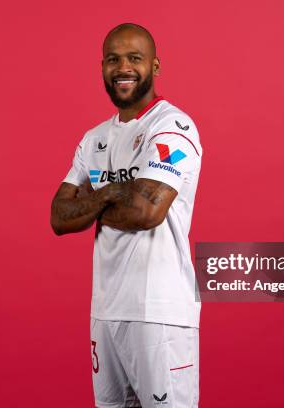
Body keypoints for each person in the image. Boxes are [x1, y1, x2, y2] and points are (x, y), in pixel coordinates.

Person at [50, 23, 202, 408]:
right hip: (105, 311)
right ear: (102, 66)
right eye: (113, 59)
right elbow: (59, 216)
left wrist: (92, 203)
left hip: (158, 310)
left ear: (155, 65)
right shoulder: (94, 139)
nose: (124, 68)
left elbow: (146, 210)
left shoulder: (172, 128)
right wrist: (113, 192)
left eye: (135, 58)